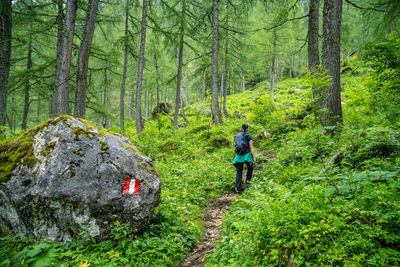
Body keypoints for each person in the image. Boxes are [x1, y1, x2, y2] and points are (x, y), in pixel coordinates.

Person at [233, 124, 256, 193]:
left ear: (242, 129)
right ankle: (248, 185)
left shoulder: (237, 136)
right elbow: (251, 147)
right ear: (248, 129)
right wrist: (254, 157)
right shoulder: (249, 136)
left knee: (239, 171)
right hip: (247, 155)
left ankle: (237, 187)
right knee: (250, 168)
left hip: (239, 155)